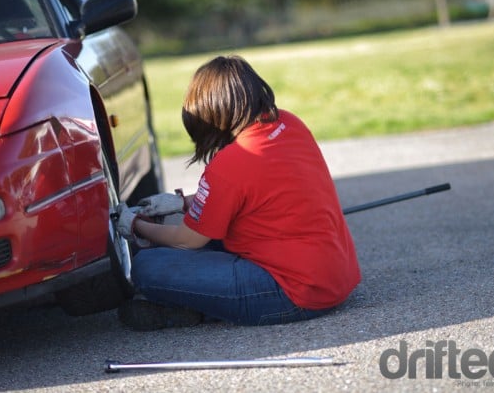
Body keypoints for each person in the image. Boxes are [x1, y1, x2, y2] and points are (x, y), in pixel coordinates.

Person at [116, 55, 361, 331]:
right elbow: (250, 194)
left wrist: (137, 225)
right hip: (336, 275)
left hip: (294, 291)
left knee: (148, 267)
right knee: (206, 241)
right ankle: (197, 305)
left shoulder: (230, 163)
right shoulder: (289, 124)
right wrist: (182, 203)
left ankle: (195, 308)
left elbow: (188, 241)